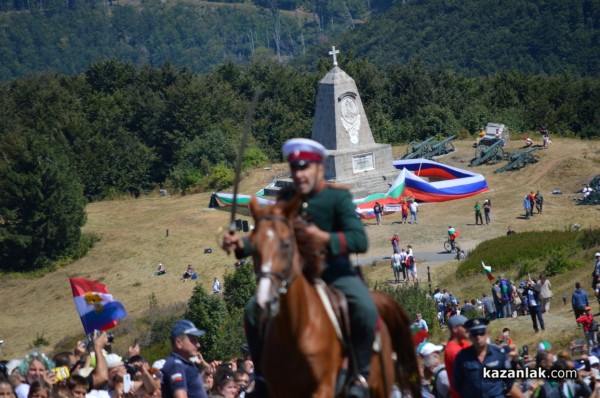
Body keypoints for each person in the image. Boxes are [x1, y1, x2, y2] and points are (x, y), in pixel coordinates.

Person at [221, 138, 376, 398]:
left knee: (365, 308)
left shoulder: (336, 198)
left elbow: (359, 240)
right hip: (294, 275)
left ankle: (360, 374)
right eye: (295, 169)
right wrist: (240, 244)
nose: (300, 174)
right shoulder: (285, 199)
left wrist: (325, 238)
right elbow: (269, 236)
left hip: (333, 272)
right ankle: (260, 376)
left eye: (306, 168)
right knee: (251, 311)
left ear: (320, 169)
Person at [452, 318, 522, 398]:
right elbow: (457, 383)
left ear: (487, 334)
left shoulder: (499, 354)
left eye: (481, 333)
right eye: (475, 334)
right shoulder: (462, 357)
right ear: (470, 336)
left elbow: (509, 380)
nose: (478, 337)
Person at [161, 319, 208, 398]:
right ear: (179, 342)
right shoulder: (176, 366)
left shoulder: (183, 363)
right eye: (193, 340)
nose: (198, 345)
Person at [444, 315, 470, 398]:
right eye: (465, 326)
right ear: (455, 329)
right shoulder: (453, 350)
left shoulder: (463, 343)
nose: (468, 329)